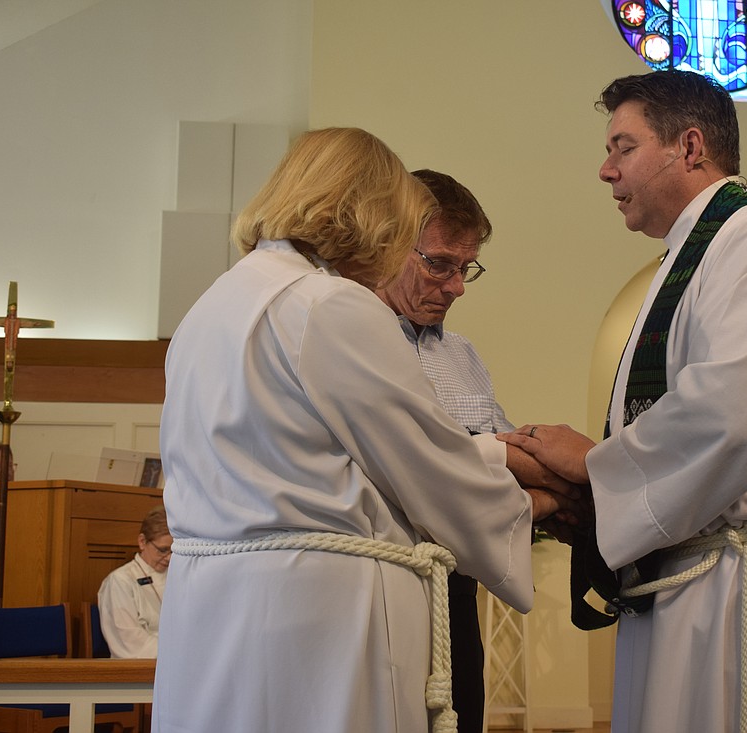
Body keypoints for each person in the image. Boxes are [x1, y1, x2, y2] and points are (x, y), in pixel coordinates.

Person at [154, 127, 578, 733]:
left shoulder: (216, 303)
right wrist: (553, 498)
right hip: (317, 611)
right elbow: (426, 467)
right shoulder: (327, 303)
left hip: (216, 602)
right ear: (368, 212)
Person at [500, 70, 747, 733]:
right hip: (700, 568)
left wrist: (595, 465)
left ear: (690, 145)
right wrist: (598, 500)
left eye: (623, 147)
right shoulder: (693, 255)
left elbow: (726, 414)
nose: (604, 169)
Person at [376, 168, 571, 733]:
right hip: (384, 582)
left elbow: (501, 450)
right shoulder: (357, 336)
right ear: (388, 241)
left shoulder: (462, 353)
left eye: (467, 268)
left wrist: (549, 476)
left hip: (453, 579)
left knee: (462, 717)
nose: (456, 286)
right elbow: (439, 464)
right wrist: (569, 487)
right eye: (438, 263)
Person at [97, 505, 169, 658]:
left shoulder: (179, 576)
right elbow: (130, 642)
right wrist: (179, 653)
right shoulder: (120, 581)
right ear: (142, 542)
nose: (169, 558)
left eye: (174, 551)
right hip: (139, 667)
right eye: (163, 550)